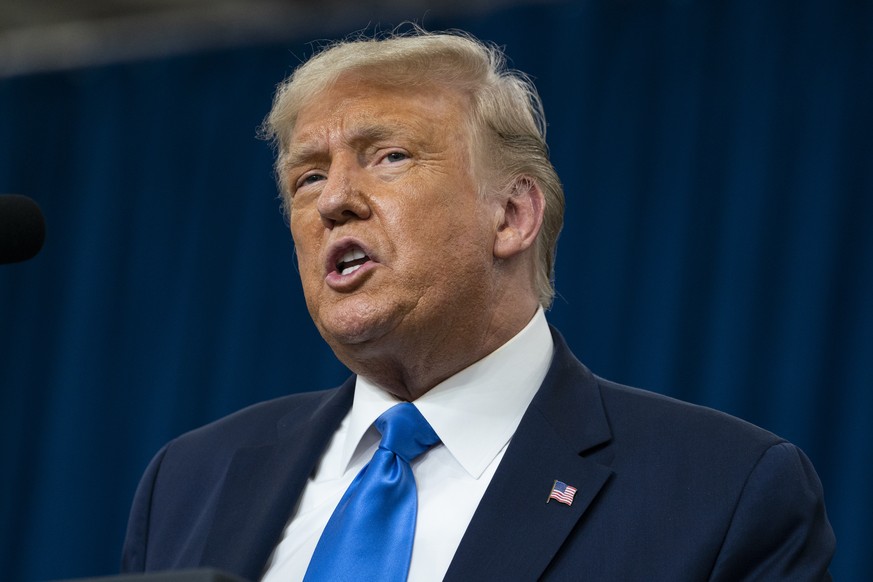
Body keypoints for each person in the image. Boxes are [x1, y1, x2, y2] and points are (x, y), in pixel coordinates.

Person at [121, 28, 835, 581]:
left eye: (389, 156)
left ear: (511, 216)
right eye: (307, 177)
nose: (333, 200)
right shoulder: (190, 480)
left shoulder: (721, 489)